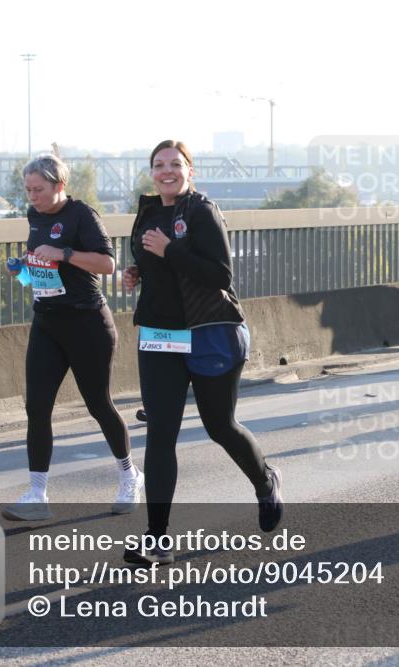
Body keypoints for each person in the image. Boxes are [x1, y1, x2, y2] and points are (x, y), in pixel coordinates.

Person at [121, 139, 282, 564]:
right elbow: (153, 262)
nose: (166, 171)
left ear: (190, 171)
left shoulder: (202, 211)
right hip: (159, 335)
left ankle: (265, 481)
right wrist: (136, 272)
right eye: (159, 165)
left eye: (175, 164)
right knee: (160, 432)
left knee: (220, 425)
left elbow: (219, 275)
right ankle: (158, 539)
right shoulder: (149, 212)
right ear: (151, 171)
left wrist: (170, 250)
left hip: (207, 332)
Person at [2, 154, 141, 521]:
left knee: (98, 404)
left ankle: (130, 476)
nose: (32, 196)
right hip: (47, 322)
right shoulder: (34, 216)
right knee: (37, 407)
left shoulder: (82, 215)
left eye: (39, 189)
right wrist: (24, 269)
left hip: (87, 323)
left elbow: (107, 265)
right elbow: (43, 273)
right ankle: (37, 494)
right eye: (28, 190)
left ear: (59, 185)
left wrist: (63, 252)